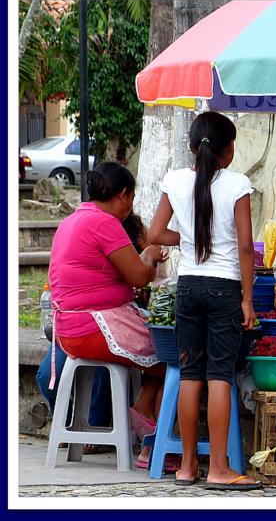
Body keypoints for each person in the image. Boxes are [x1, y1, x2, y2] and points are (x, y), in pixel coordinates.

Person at [149, 111, 261, 490]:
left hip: (188, 288)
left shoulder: (175, 180)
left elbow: (154, 233)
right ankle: (218, 468)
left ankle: (186, 466)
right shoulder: (237, 184)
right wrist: (248, 299)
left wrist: (186, 238)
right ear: (228, 150)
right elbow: (245, 247)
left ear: (192, 146)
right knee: (219, 377)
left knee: (190, 374)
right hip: (224, 289)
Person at [48, 162, 178, 471]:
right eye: (131, 198)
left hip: (68, 328)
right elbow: (139, 277)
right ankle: (156, 444)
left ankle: (143, 409)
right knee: (176, 353)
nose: (131, 206)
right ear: (122, 195)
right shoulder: (104, 223)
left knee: (166, 349)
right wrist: (149, 255)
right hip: (94, 325)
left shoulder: (72, 220)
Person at [35, 211, 151, 446]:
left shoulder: (128, 230)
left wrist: (144, 279)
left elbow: (144, 277)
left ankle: (96, 424)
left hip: (116, 319)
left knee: (105, 368)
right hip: (76, 321)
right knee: (47, 375)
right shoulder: (81, 231)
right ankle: (69, 423)